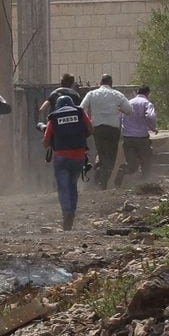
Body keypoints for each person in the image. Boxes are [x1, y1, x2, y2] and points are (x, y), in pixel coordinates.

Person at [42, 94, 93, 230]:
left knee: (63, 187)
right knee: (72, 185)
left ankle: (67, 213)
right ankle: (72, 213)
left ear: (57, 106)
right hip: (78, 156)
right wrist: (81, 138)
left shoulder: (53, 117)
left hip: (61, 157)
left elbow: (45, 142)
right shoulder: (80, 112)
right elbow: (90, 129)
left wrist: (51, 139)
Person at [79, 74, 133, 189]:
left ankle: (98, 172)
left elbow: (81, 108)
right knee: (111, 157)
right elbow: (130, 110)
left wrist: (88, 121)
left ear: (100, 82)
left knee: (101, 153)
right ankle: (102, 183)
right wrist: (119, 109)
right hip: (113, 130)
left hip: (97, 129)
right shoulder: (117, 95)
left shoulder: (91, 94)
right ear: (111, 83)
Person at [117, 84, 158, 185]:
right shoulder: (146, 103)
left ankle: (123, 171)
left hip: (128, 138)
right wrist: (152, 127)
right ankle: (145, 182)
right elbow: (151, 116)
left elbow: (120, 118)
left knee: (132, 166)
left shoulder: (129, 103)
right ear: (147, 93)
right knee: (146, 161)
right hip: (141, 138)